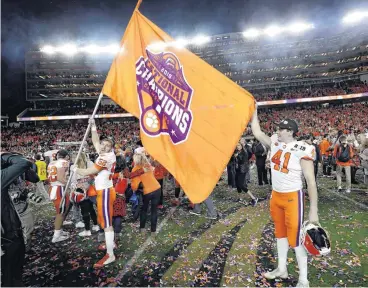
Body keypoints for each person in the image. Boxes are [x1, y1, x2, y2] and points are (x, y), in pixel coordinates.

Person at [251, 109, 319, 288]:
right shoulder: (275, 143)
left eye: (281, 129)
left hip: (292, 198)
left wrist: (313, 210)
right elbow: (257, 132)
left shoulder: (303, 148)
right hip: (276, 196)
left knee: (296, 239)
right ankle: (282, 269)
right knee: (280, 235)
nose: (278, 131)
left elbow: (311, 182)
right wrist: (254, 112)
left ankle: (304, 279)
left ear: (290, 131)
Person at [74, 119, 117, 268]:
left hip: (105, 191)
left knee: (106, 223)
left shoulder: (106, 157)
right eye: (104, 144)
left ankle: (110, 254)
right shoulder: (105, 152)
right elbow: (96, 142)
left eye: (107, 145)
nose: (103, 146)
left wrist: (76, 170)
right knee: (103, 220)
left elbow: (90, 171)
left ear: (111, 148)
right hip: (103, 190)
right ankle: (111, 243)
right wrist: (93, 126)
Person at [1, 152, 37, 287]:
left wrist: (26, 170)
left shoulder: (11, 172)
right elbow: (23, 163)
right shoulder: (3, 175)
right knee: (9, 264)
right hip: (7, 226)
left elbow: (35, 177)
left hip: (14, 213)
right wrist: (6, 156)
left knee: (20, 242)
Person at [130, 152, 161, 240]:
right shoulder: (147, 165)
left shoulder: (135, 169)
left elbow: (135, 186)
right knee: (154, 211)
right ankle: (153, 232)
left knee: (144, 210)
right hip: (157, 188)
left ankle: (142, 229)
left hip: (147, 191)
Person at [70, 152, 99, 237]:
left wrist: (78, 186)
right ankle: (95, 225)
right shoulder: (89, 165)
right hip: (88, 192)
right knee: (91, 209)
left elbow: (73, 182)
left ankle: (87, 230)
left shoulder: (77, 169)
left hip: (85, 192)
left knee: (85, 211)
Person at [47, 149, 71, 243]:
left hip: (53, 187)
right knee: (60, 213)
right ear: (67, 156)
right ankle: (56, 236)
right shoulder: (64, 162)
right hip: (59, 188)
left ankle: (59, 230)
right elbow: (61, 178)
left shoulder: (51, 163)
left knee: (63, 210)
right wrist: (71, 185)